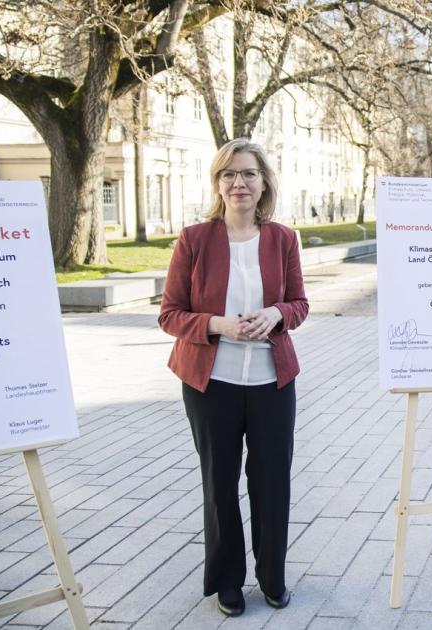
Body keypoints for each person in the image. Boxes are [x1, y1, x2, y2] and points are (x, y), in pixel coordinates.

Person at [159, 138, 309, 617]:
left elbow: (300, 305)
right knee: (219, 482)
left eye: (248, 174)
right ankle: (227, 581)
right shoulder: (194, 239)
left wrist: (276, 314)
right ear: (217, 183)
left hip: (271, 382)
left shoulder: (283, 238)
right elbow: (169, 315)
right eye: (229, 174)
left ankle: (272, 578)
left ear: (263, 182)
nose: (238, 183)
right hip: (211, 383)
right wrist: (216, 325)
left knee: (271, 482)